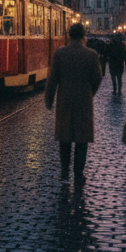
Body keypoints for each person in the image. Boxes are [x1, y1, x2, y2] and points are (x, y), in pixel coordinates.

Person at [44, 22, 103, 185]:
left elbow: (52, 79)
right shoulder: (91, 55)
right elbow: (98, 78)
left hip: (65, 100)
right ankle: (78, 173)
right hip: (84, 100)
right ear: (83, 36)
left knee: (65, 138)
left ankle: (64, 172)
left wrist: (49, 99)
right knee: (81, 139)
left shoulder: (59, 54)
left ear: (69, 36)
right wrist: (90, 92)